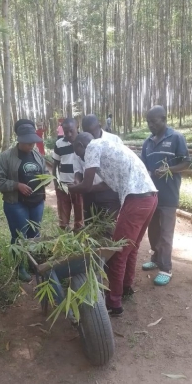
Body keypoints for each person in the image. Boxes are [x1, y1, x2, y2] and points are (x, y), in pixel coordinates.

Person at [69, 133, 158, 316]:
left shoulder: (92, 146)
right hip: (150, 197)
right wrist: (85, 187)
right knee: (131, 248)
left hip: (136, 200)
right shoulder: (109, 145)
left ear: (80, 144)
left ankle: (113, 303)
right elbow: (104, 185)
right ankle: (126, 287)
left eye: (78, 153)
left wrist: (69, 187)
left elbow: (85, 186)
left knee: (117, 252)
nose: (80, 157)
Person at [141, 106, 190, 286]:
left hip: (169, 195)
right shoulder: (147, 143)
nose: (150, 125)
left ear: (164, 119)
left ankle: (166, 268)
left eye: (153, 121)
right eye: (148, 122)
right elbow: (143, 167)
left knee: (166, 232)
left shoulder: (176, 138)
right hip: (151, 194)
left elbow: (186, 162)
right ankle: (155, 256)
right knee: (152, 229)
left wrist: (169, 169)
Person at [0, 121, 47, 282]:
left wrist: (46, 180)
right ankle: (19, 267)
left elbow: (44, 172)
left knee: (34, 235)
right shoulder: (6, 157)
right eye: (28, 142)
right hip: (16, 203)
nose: (32, 145)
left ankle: (33, 263)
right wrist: (16, 185)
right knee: (19, 237)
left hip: (37, 202)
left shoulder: (37, 155)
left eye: (33, 142)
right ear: (20, 140)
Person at [74, 114, 121, 221]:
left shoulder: (114, 140)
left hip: (109, 194)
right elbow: (78, 169)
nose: (90, 136)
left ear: (99, 126)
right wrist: (77, 181)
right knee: (90, 228)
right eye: (87, 132)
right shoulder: (80, 142)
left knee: (108, 228)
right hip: (88, 194)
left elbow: (118, 171)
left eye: (92, 132)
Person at [52, 118, 83, 230]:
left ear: (77, 127)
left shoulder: (84, 141)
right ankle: (63, 239)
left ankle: (79, 239)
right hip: (63, 186)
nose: (69, 134)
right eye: (66, 131)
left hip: (80, 186)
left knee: (80, 218)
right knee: (63, 218)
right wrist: (56, 183)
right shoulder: (59, 144)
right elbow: (55, 165)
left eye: (71, 130)